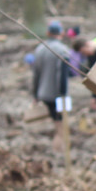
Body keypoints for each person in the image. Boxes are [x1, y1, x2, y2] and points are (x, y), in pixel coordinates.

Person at [30, 20, 70, 153]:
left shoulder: (39, 49)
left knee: (57, 124)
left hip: (43, 93)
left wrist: (35, 95)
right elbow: (62, 76)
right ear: (61, 33)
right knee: (61, 127)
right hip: (57, 94)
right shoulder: (62, 50)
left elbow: (36, 75)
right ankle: (59, 153)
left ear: (48, 33)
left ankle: (58, 151)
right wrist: (63, 96)